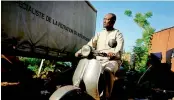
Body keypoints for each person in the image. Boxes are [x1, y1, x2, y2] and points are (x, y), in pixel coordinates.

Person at [75, 13, 124, 100]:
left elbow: (119, 48)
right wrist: (80, 52)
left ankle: (107, 94)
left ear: (113, 21)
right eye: (104, 19)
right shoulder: (100, 33)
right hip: (98, 61)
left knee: (107, 71)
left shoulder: (117, 34)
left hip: (112, 61)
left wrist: (114, 53)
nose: (105, 21)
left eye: (108, 19)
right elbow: (90, 44)